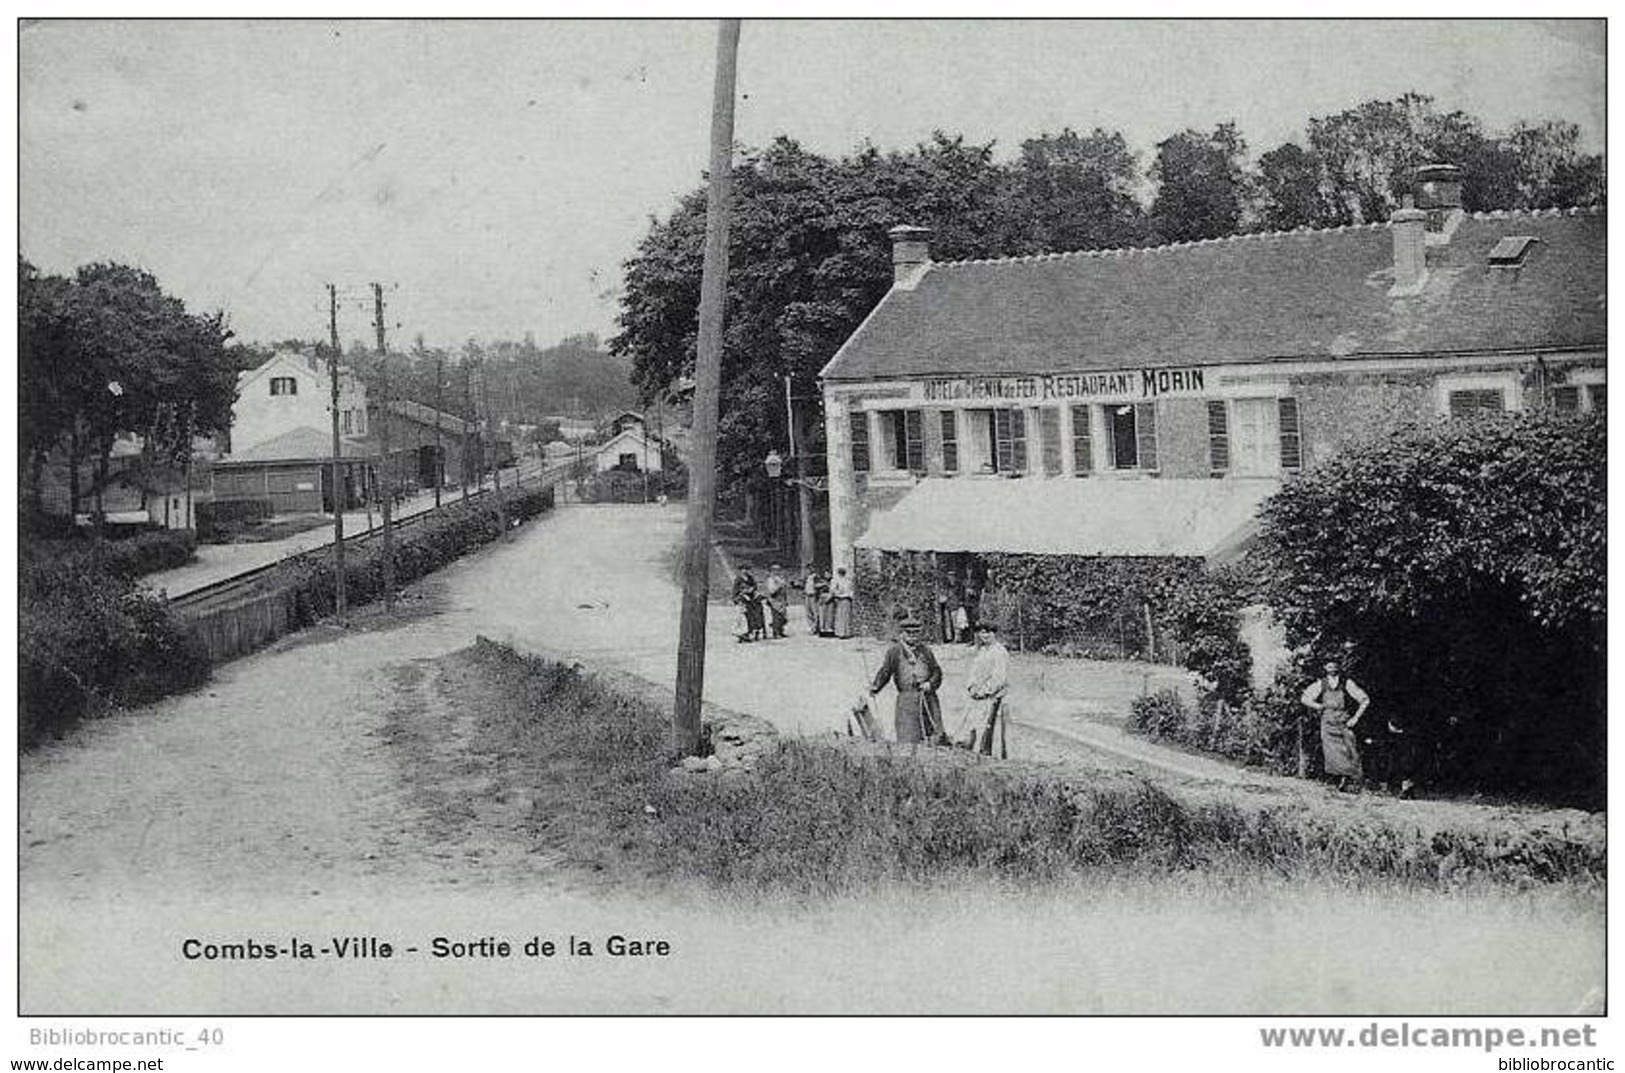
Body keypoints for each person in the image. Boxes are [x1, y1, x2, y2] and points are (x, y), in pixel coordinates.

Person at [870, 613, 945, 744]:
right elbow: (885, 672)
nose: (912, 636)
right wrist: (875, 686)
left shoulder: (926, 651)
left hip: (928, 699)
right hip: (907, 701)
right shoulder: (894, 652)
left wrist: (930, 684)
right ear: (901, 634)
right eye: (908, 633)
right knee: (908, 738)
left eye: (915, 633)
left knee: (934, 736)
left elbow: (937, 672)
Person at [1301, 659, 1371, 791]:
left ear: (1338, 667)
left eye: (1334, 665)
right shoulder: (1321, 683)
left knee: (1349, 749)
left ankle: (1353, 782)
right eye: (1329, 665)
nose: (1332, 668)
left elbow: (1365, 700)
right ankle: (1337, 781)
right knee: (1332, 753)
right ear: (1325, 667)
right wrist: (1318, 706)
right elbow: (1305, 698)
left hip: (1343, 720)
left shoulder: (1346, 683)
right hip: (1328, 722)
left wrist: (1355, 718)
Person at [965, 620, 1010, 756]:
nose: (984, 636)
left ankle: (990, 753)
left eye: (988, 633)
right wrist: (972, 686)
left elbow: (999, 678)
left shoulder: (999, 651)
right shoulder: (982, 650)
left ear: (994, 633)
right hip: (978, 696)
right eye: (981, 633)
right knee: (975, 725)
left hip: (993, 697)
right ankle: (976, 750)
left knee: (989, 727)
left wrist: (984, 691)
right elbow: (974, 671)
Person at [733, 568, 763, 643]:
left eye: (746, 569)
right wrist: (739, 598)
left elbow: (755, 587)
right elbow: (735, 591)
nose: (745, 571)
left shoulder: (750, 578)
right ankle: (741, 635)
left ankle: (750, 633)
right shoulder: (738, 579)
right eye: (743, 569)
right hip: (742, 600)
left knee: (752, 617)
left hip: (751, 600)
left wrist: (752, 590)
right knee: (742, 618)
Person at [763, 564, 790, 640]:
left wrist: (785, 599)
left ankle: (781, 631)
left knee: (782, 616)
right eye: (775, 570)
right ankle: (776, 632)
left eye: (778, 570)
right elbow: (771, 591)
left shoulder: (781, 578)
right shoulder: (771, 579)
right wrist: (778, 586)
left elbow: (784, 590)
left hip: (782, 599)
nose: (777, 571)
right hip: (774, 599)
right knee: (776, 616)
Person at [830, 567, 855, 639]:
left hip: (844, 599)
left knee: (843, 616)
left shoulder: (845, 581)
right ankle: (844, 632)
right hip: (843, 599)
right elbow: (834, 590)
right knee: (843, 616)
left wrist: (837, 593)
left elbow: (833, 590)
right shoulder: (844, 581)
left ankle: (844, 633)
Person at [815, 572, 835, 637]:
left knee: (829, 615)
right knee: (822, 614)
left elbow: (833, 589)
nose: (827, 575)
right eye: (826, 574)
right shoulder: (821, 581)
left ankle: (829, 629)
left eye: (828, 574)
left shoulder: (833, 581)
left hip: (830, 598)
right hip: (822, 598)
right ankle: (822, 629)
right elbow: (816, 586)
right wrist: (824, 584)